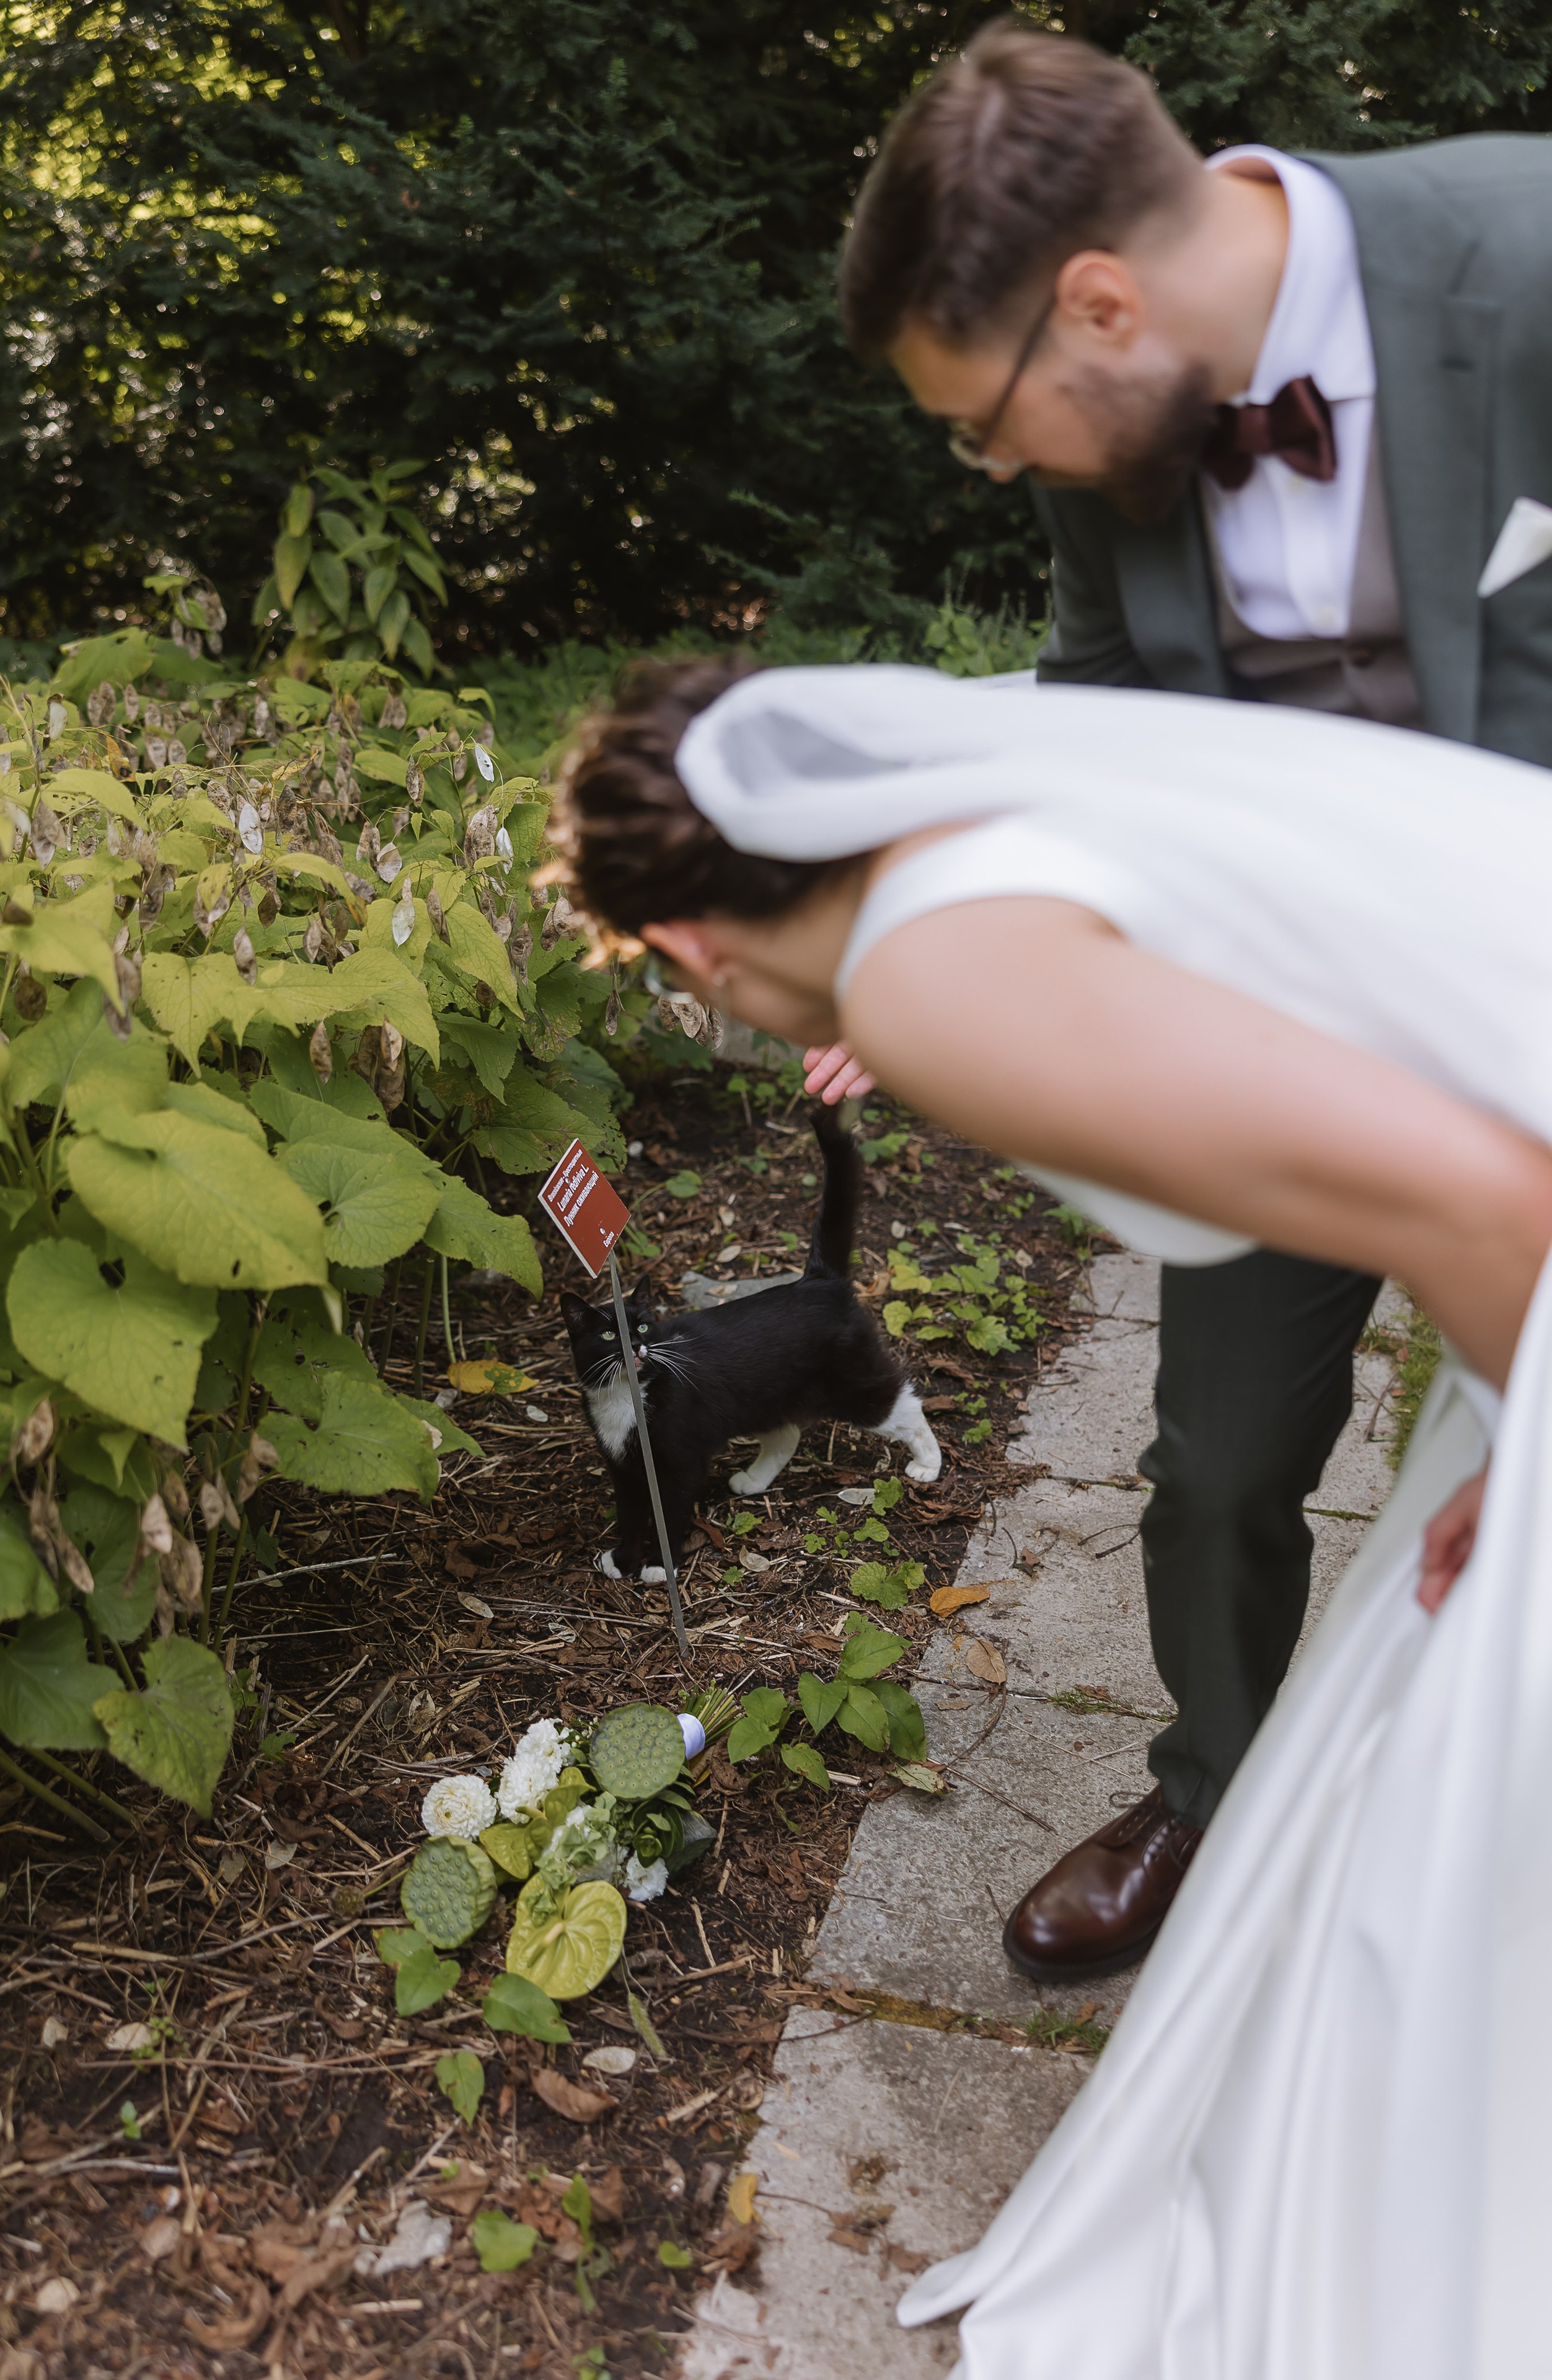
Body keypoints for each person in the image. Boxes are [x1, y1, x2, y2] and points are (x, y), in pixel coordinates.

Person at [557, 650, 1552, 2375]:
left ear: (697, 953)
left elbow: (1493, 1206)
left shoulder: (939, 983)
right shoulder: (984, 832)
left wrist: (1524, 1462)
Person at [798, 24, 1552, 1981]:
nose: (993, 463)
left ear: (1100, 301)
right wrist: (940, 942)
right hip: (1285, 1023)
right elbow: (1102, 713)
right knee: (1216, 1462)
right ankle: (1213, 1787)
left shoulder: (1531, 253)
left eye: (984, 422)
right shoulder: (1125, 427)